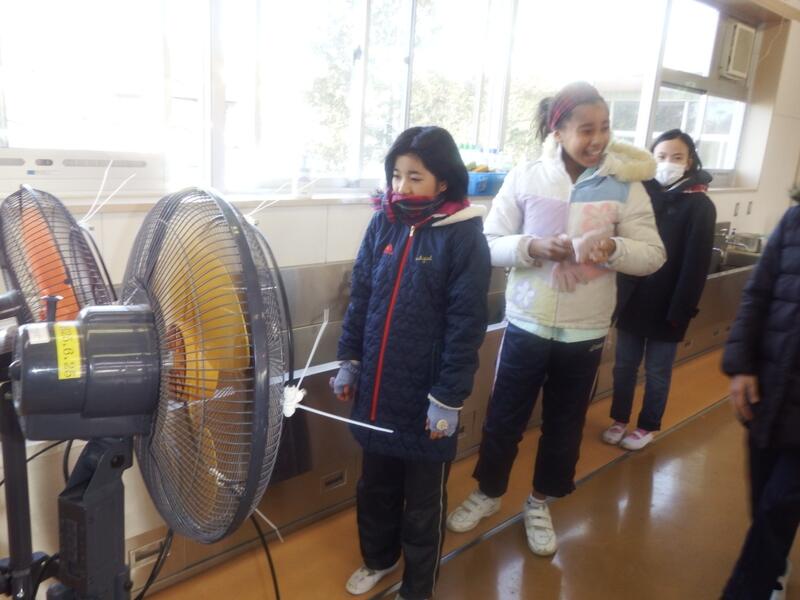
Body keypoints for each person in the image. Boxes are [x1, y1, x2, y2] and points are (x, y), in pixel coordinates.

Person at [446, 81, 666, 557]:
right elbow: (488, 242)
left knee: (565, 427)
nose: (598, 139)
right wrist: (532, 247)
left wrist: (613, 247)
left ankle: (540, 501)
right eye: (586, 129)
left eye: (605, 127)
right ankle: (488, 492)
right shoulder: (527, 176)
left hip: (585, 331)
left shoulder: (625, 185)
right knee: (503, 419)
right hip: (527, 322)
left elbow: (652, 255)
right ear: (558, 130)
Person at [333, 126, 491, 600]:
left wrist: (448, 398)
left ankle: (418, 587)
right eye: (396, 175)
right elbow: (361, 297)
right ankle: (379, 559)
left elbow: (466, 324)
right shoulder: (382, 223)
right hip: (378, 392)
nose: (401, 187)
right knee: (375, 488)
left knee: (423, 504)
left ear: (443, 181)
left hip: (427, 399)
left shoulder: (463, 235)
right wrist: (350, 360)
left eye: (414, 177)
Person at [602, 128, 716, 450]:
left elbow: (696, 265)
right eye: (661, 156)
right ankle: (619, 419)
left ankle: (647, 425)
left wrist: (682, 310)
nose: (668, 163)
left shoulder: (700, 205)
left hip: (670, 304)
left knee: (657, 371)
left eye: (677, 157)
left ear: (689, 161)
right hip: (633, 300)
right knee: (624, 366)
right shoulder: (641, 194)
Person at [721, 191, 800, 600]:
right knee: (763, 494)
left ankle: (752, 586)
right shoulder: (794, 221)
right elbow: (757, 294)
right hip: (770, 388)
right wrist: (741, 366)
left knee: (779, 502)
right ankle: (773, 561)